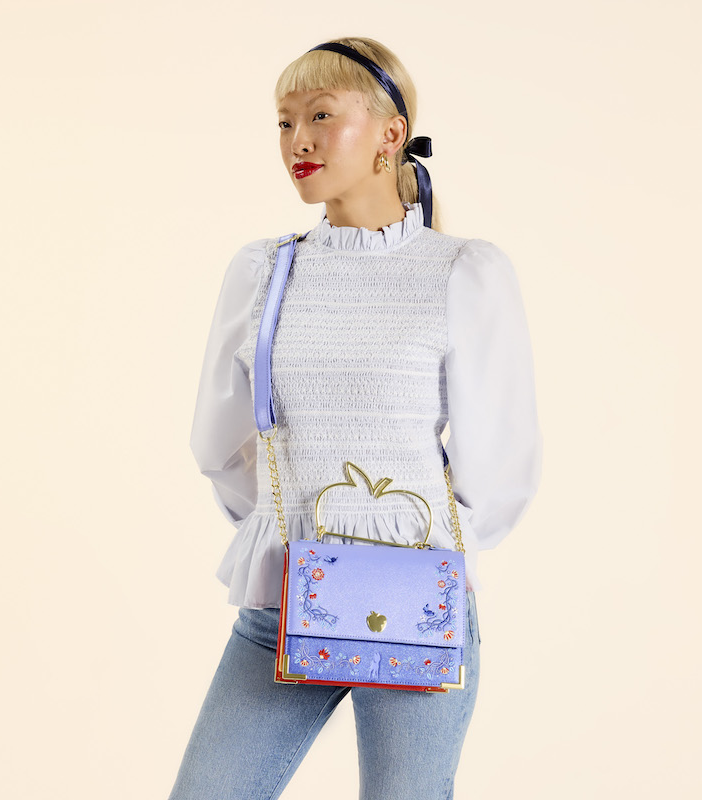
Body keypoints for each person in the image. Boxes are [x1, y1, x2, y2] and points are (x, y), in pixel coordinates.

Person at [168, 36, 543, 800]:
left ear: (390, 133)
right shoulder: (263, 270)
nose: (297, 141)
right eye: (283, 122)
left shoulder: (462, 272)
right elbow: (218, 443)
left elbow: (501, 465)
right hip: (285, 596)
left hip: (417, 603)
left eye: (320, 115)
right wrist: (288, 535)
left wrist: (423, 556)